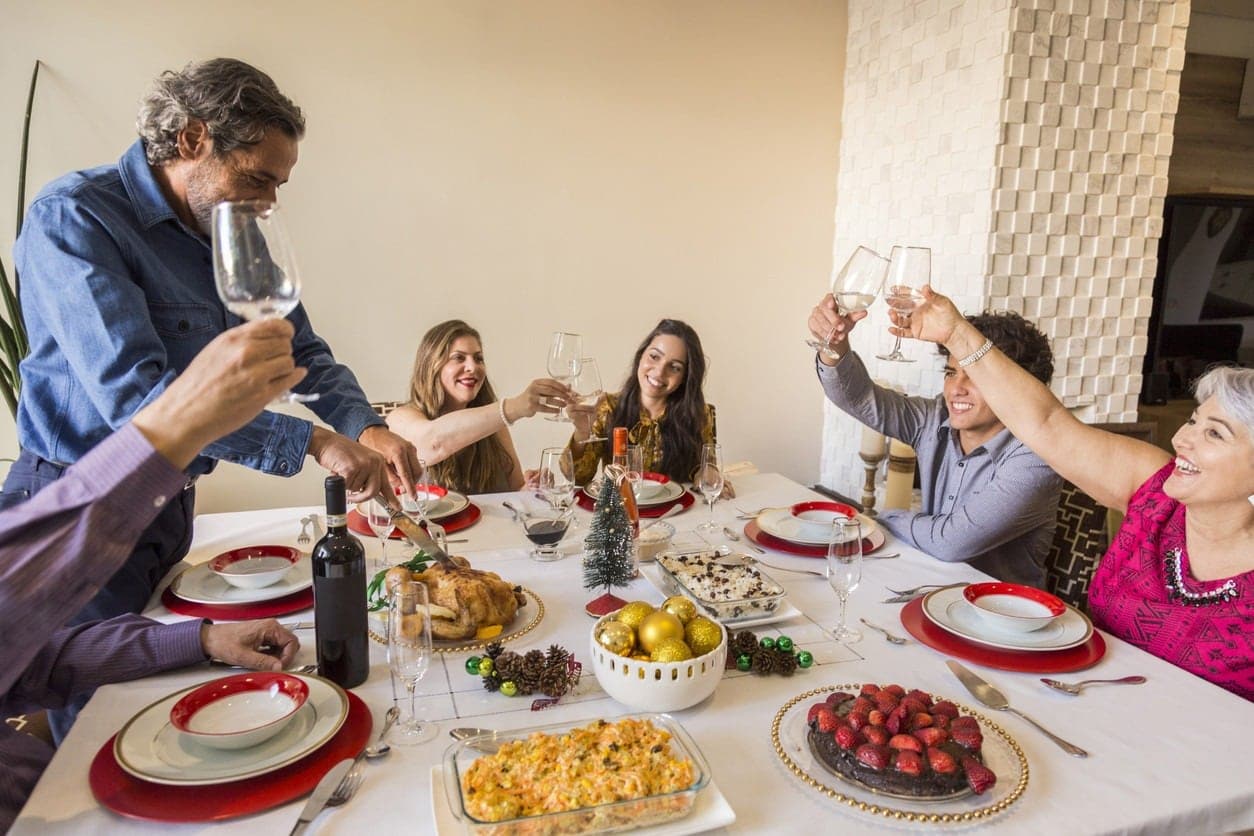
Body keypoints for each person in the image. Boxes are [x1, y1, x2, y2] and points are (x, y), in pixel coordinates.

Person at [4, 58, 419, 739]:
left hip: (169, 514)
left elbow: (300, 350)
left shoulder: (236, 231)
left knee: (167, 711)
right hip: (77, 519)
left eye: (279, 185)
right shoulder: (75, 218)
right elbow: (141, 404)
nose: (269, 202)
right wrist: (313, 440)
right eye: (258, 178)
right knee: (99, 731)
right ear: (193, 139)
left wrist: (364, 425)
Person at [0, 319, 307, 830]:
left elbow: (39, 661)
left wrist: (205, 639)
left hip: (53, 797)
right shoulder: (68, 237)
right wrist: (177, 426)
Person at [897, 286, 1252, 701]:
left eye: (1213, 433)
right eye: (1192, 421)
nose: (1182, 439)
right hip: (1078, 705)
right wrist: (956, 334)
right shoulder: (1156, 490)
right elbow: (1046, 423)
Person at [808, 298, 1062, 588]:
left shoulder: (1037, 456)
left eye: (976, 375)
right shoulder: (934, 417)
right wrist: (834, 346)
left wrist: (880, 519)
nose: (956, 389)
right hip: (929, 592)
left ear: (1022, 385)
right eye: (951, 372)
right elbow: (859, 399)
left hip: (1005, 620)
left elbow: (950, 541)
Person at [386, 320, 574, 493]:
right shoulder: (399, 418)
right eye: (459, 358)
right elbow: (433, 442)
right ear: (431, 366)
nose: (472, 367)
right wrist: (516, 406)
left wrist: (531, 488)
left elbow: (514, 492)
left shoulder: (493, 425)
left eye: (478, 358)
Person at [568, 319, 720, 488]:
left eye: (675, 367)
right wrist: (582, 432)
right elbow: (577, 479)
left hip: (679, 510)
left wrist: (707, 474)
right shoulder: (607, 407)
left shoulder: (699, 413)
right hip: (622, 510)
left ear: (685, 376)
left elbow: (706, 466)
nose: (660, 372)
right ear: (641, 356)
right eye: (654, 357)